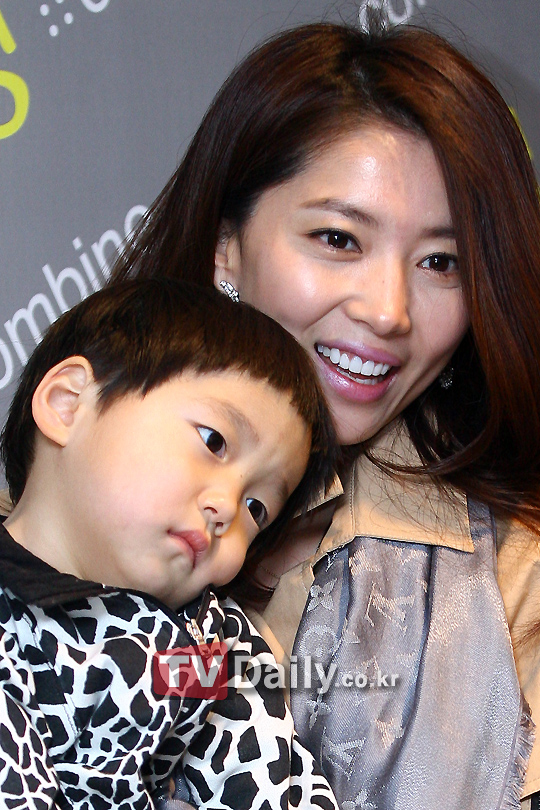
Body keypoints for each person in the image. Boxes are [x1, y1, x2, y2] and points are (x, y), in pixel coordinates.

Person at [109, 18, 540, 810]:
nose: (389, 311)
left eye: (441, 262)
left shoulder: (511, 575)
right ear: (225, 248)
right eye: (339, 239)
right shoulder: (45, 534)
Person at [0, 278, 340, 810]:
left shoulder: (212, 637)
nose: (227, 507)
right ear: (69, 404)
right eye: (213, 441)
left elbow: (272, 780)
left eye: (257, 508)